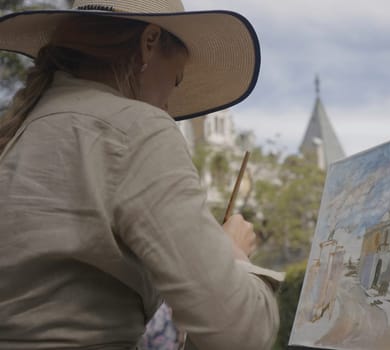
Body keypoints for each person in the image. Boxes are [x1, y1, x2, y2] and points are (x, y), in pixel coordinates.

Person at [0, 1, 283, 349]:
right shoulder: (136, 129)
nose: (169, 105)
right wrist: (234, 258)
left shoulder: (18, 134)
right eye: (176, 79)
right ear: (149, 42)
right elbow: (240, 332)